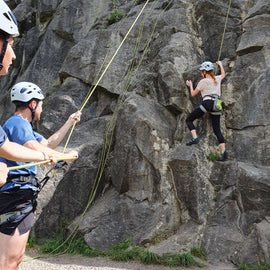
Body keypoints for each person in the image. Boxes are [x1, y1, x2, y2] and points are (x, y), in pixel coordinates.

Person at [0, 81, 81, 269]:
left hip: (21, 194)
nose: (42, 109)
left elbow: (47, 144)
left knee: (16, 257)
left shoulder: (26, 128)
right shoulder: (17, 123)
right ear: (32, 103)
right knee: (9, 258)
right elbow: (35, 149)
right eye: (41, 104)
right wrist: (65, 156)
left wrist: (69, 122)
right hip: (15, 193)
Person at [185, 60, 227, 161]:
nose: (201, 73)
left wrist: (190, 85)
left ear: (204, 71)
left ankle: (195, 137)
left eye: (201, 72)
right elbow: (223, 74)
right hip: (216, 105)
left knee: (189, 119)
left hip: (207, 103)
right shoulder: (217, 78)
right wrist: (220, 65)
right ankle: (223, 152)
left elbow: (193, 94)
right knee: (217, 130)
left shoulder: (203, 81)